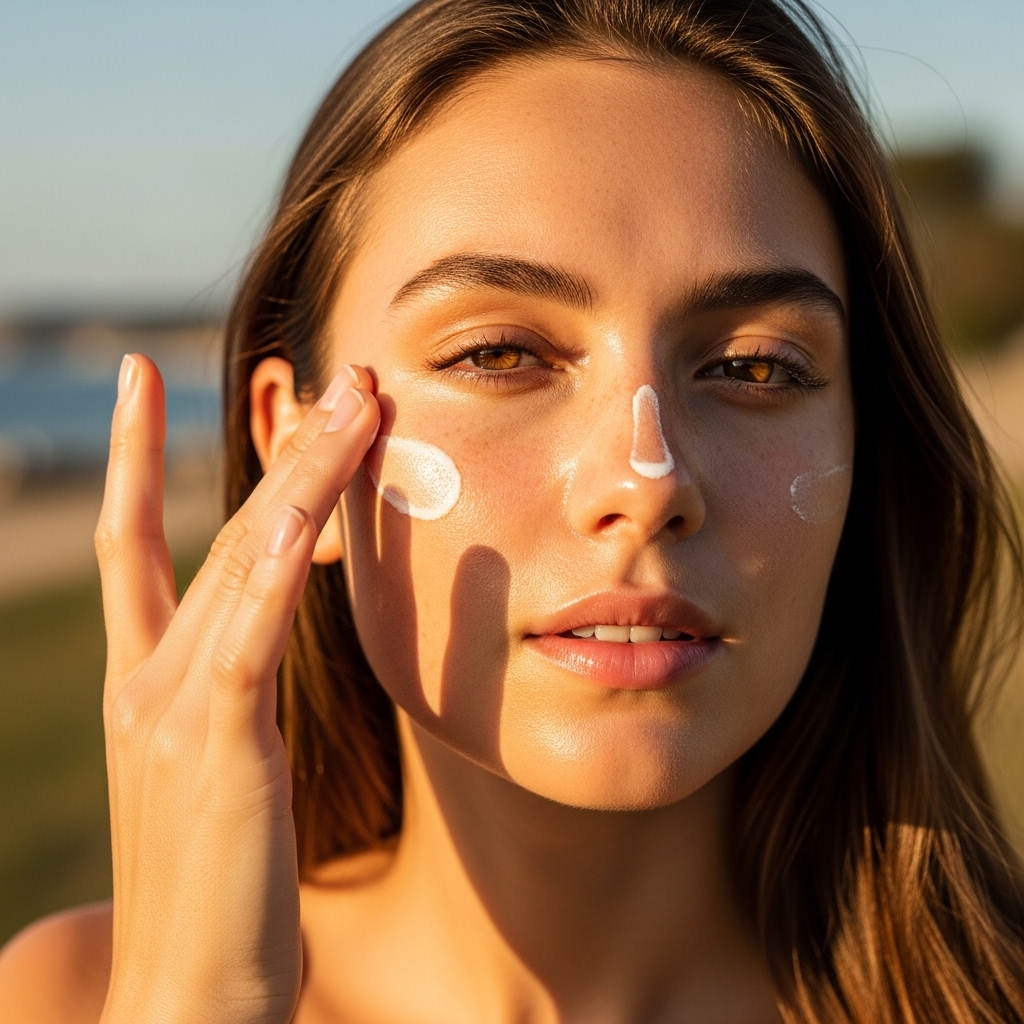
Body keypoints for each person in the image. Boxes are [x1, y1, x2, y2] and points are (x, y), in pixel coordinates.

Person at [2, 0, 1024, 1020]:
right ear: (293, 443)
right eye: (498, 354)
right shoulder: (67, 999)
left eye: (754, 364)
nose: (646, 475)